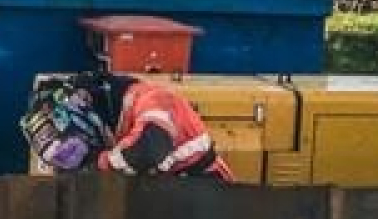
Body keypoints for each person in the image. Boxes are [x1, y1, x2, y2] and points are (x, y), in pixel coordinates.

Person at [21, 71, 233, 180]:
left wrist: (98, 165)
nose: (75, 161)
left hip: (209, 197)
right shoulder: (115, 128)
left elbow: (150, 149)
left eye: (74, 151)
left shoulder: (153, 100)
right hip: (166, 203)